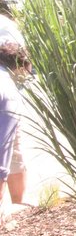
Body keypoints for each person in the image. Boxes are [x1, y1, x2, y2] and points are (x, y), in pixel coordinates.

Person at [0, 40, 30, 207]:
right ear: (20, 65)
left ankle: (18, 204)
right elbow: (3, 143)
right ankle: (16, 205)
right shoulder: (7, 89)